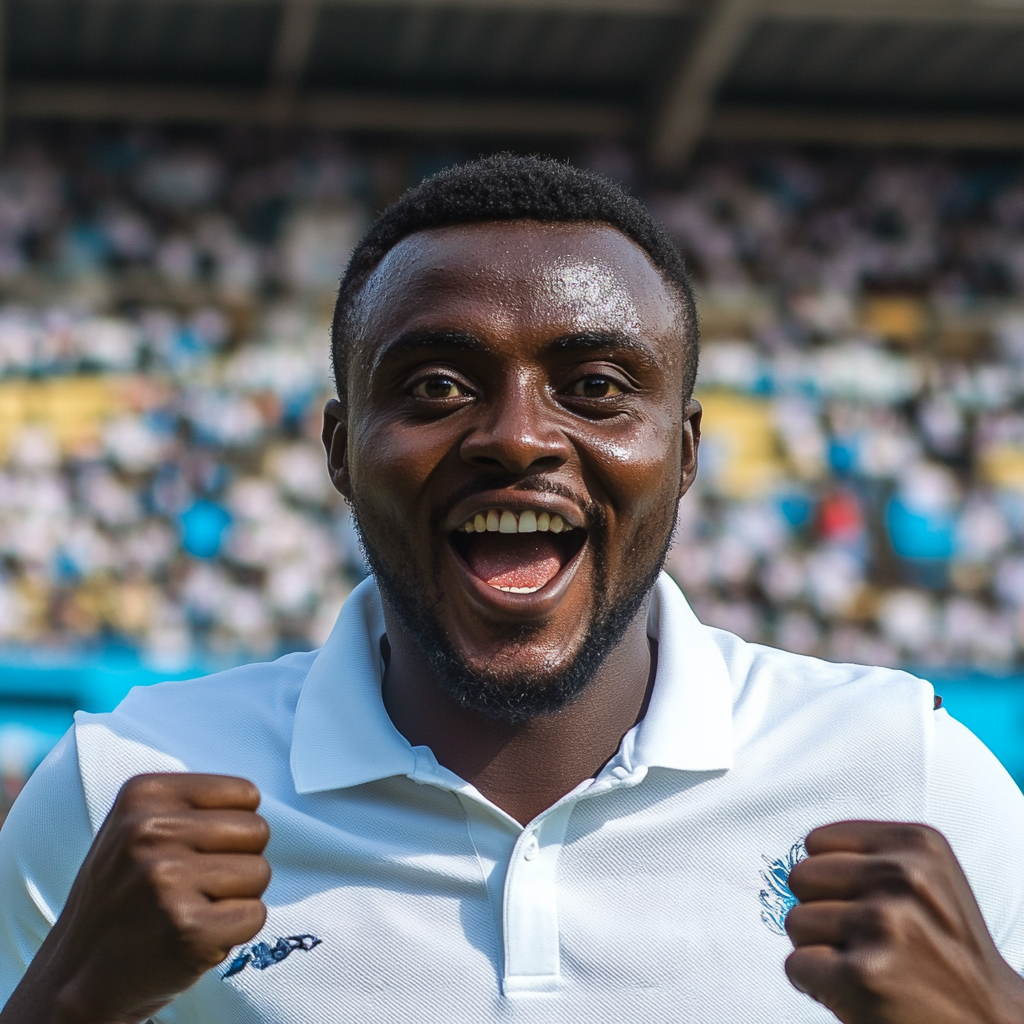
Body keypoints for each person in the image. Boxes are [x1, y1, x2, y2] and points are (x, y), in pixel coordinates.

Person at [1, 154, 1024, 1024]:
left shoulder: (905, 773)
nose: (519, 436)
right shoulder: (119, 789)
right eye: (438, 386)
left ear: (683, 451)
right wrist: (68, 1002)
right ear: (339, 450)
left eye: (596, 389)